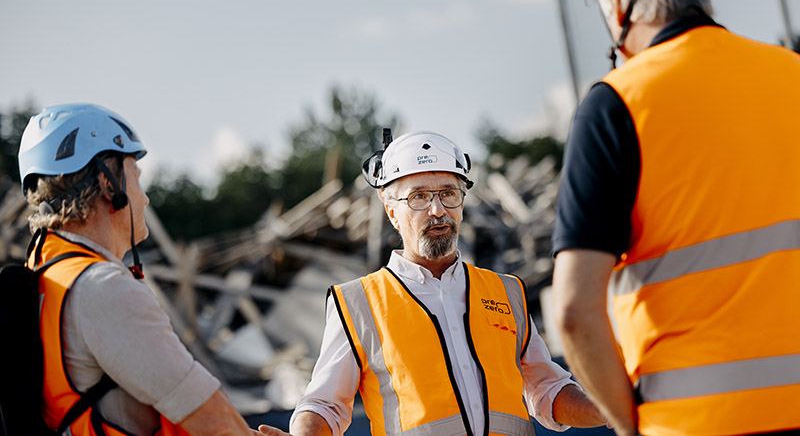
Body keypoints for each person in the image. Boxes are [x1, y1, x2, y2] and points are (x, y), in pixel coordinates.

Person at [550, 0, 800, 435]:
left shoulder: (617, 105)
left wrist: (631, 426)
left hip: (695, 422)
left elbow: (574, 311)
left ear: (618, 0)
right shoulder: (793, 73)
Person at [258, 130, 607, 436]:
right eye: (419, 197)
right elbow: (324, 406)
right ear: (391, 209)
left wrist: (612, 410)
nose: (437, 210)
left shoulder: (506, 291)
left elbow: (548, 389)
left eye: (448, 194)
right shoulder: (359, 303)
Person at [18, 103, 254, 435]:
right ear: (107, 181)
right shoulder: (102, 289)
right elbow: (214, 421)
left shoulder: (46, 273)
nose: (144, 199)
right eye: (136, 177)